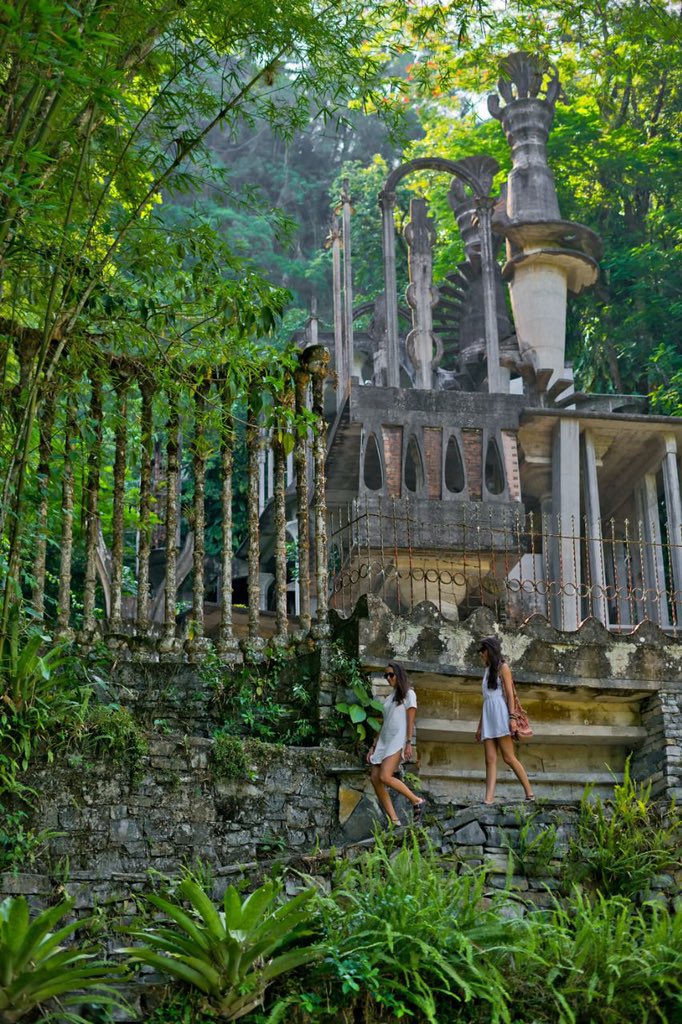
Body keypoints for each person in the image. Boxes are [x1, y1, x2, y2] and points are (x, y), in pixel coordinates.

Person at [475, 636, 535, 805]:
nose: (480, 654)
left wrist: (512, 718)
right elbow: (486, 700)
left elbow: (509, 694)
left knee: (508, 757)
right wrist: (480, 726)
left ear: (489, 650)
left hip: (501, 714)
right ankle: (489, 799)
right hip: (488, 716)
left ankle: (530, 793)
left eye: (483, 650)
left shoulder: (503, 667)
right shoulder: (487, 670)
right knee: (490, 759)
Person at [367, 661, 426, 826]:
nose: (388, 678)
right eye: (386, 675)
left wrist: (408, 742)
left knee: (385, 776)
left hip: (397, 739)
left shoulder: (409, 694)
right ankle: (394, 820)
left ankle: (417, 800)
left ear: (399, 675)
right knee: (375, 778)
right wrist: (373, 746)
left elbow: (410, 721)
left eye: (391, 675)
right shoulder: (390, 698)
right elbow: (385, 724)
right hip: (384, 740)